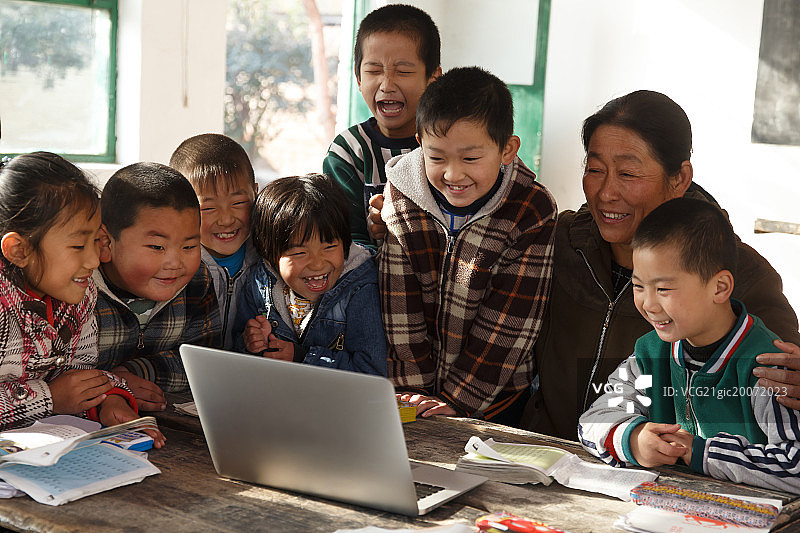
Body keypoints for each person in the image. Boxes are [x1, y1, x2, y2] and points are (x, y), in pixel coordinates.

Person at [524, 90, 800, 439]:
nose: (606, 192)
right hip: (548, 455)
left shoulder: (733, 272)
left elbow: (785, 373)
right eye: (595, 169)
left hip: (665, 472)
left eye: (628, 173)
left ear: (679, 179)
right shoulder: (560, 242)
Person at [579, 197, 800, 494]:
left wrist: (701, 453)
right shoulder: (650, 354)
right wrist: (633, 438)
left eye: (663, 289)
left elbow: (795, 465)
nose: (648, 303)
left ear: (719, 287)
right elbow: (591, 422)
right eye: (638, 286)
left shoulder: (767, 366)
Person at [380, 66, 557, 425]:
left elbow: (511, 322)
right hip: (414, 391)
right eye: (437, 157)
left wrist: (458, 400)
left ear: (507, 149)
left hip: (496, 394)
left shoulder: (531, 211)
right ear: (420, 143)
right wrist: (412, 394)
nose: (453, 174)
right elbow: (398, 303)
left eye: (471, 158)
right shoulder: (401, 193)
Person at [0, 153, 164, 446]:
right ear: (19, 250)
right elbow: (59, 393)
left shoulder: (81, 293)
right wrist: (49, 398)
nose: (93, 259)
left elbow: (78, 373)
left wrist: (106, 400)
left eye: (94, 242)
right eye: (78, 245)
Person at [94, 162, 221, 411]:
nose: (175, 263)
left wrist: (137, 372)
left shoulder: (197, 282)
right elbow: (63, 373)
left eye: (189, 247)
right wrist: (114, 385)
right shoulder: (80, 288)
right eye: (157, 247)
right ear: (105, 243)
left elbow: (202, 364)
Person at [233, 173, 386, 376]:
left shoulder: (360, 287)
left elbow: (371, 371)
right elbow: (236, 358)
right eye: (299, 253)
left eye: (329, 246)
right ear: (270, 255)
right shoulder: (259, 284)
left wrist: (302, 358)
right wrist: (251, 344)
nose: (317, 263)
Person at [323, 3, 441, 247]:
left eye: (403, 72)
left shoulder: (450, 145)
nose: (387, 84)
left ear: (433, 79)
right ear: (358, 77)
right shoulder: (348, 152)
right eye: (374, 71)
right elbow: (344, 243)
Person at [169, 133, 259, 350]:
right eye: (207, 208)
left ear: (256, 193)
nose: (226, 219)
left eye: (238, 202)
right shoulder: (174, 267)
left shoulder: (268, 257)